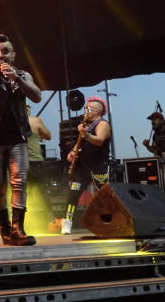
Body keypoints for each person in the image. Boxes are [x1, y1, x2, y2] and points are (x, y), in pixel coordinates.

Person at [0, 33, 42, 246]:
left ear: (13, 55)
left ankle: (17, 229)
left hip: (17, 139)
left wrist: (17, 79)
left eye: (5, 51)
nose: (0, 55)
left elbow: (37, 96)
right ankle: (4, 229)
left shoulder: (22, 75)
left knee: (19, 182)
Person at [61, 96, 112, 235]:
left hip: (98, 165)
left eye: (88, 109)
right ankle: (67, 222)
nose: (85, 111)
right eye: (85, 109)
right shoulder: (86, 125)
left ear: (97, 111)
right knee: (73, 193)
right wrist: (73, 152)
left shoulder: (103, 124)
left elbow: (99, 140)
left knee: (102, 195)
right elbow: (80, 143)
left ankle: (107, 222)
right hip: (83, 166)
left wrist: (86, 134)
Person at [26, 105, 52, 217]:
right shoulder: (35, 121)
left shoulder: (11, 122)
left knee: (18, 192)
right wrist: (39, 133)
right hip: (35, 161)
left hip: (18, 162)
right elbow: (48, 135)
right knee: (42, 191)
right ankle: (50, 217)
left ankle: (18, 219)